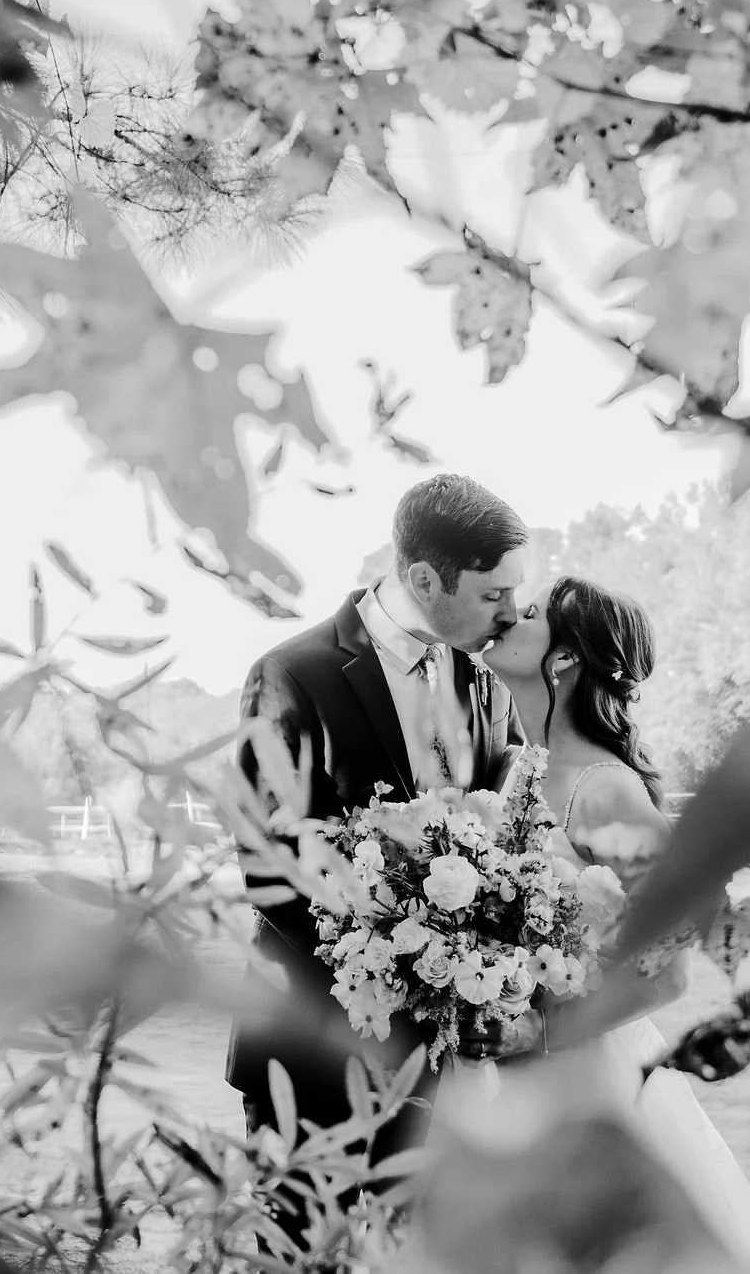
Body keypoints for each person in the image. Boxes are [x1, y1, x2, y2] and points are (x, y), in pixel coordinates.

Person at [227, 473, 543, 1244]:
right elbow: (272, 867)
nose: (512, 610)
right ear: (424, 578)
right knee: (303, 1253)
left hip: (449, 1060)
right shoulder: (291, 676)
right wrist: (388, 970)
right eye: (493, 592)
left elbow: (505, 837)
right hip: (314, 1055)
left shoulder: (483, 680)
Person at [479, 574, 750, 1270]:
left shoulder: (608, 789)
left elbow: (671, 969)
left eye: (528, 611)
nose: (505, 614)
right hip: (505, 1062)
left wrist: (548, 1032)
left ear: (562, 660)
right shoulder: (522, 770)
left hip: (580, 1066)